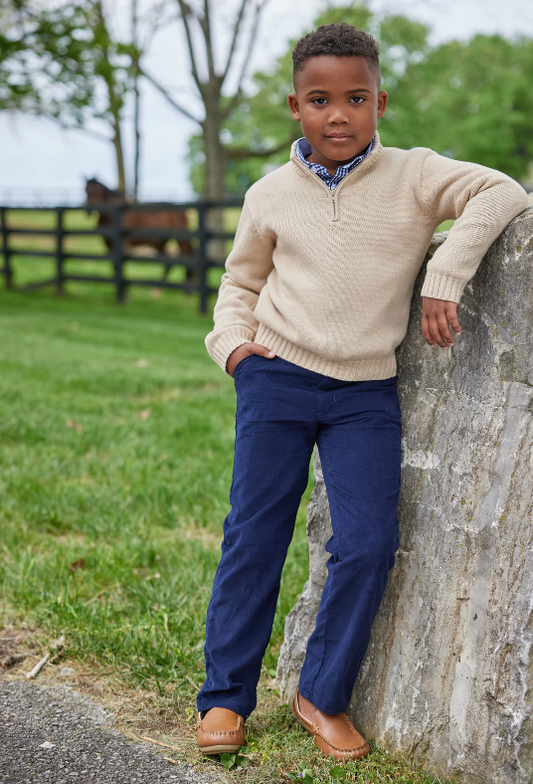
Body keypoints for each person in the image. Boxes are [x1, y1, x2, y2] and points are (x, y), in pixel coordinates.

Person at [195, 23, 528, 762]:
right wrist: (235, 349)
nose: (337, 115)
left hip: (363, 394)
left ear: (380, 101)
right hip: (275, 378)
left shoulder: (414, 174)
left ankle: (322, 693)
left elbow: (499, 190)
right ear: (294, 106)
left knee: (371, 543)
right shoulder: (269, 193)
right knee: (255, 536)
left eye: (354, 99)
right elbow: (240, 281)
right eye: (319, 100)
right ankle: (224, 696)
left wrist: (445, 277)